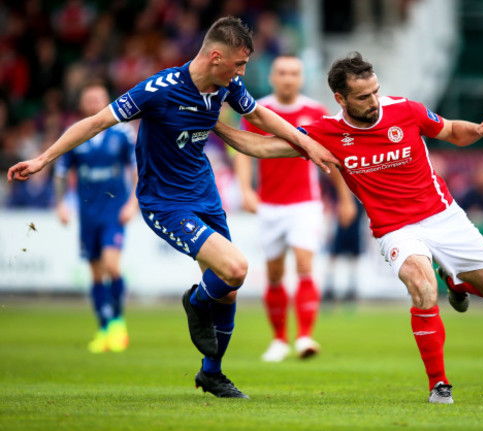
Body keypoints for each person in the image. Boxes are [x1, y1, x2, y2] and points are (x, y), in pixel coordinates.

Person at [7, 16, 339, 400]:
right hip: (165, 202)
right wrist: (43, 159)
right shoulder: (157, 90)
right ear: (216, 57)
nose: (243, 72)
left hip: (205, 195)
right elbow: (96, 122)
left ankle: (211, 373)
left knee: (227, 292)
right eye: (239, 64)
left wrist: (308, 143)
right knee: (235, 269)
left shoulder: (225, 87)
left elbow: (258, 120)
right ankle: (195, 301)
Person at [212, 52, 483, 404]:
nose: (374, 102)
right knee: (422, 284)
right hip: (395, 229)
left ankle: (455, 280)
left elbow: (448, 129)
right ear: (340, 99)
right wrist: (214, 124)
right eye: (363, 96)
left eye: (375, 92)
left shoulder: (405, 110)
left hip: (443, 215)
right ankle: (439, 385)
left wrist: (477, 130)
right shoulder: (326, 131)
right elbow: (262, 147)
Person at [234, 54, 356, 362]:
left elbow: (333, 157)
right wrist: (246, 190)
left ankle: (304, 336)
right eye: (282, 73)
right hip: (270, 204)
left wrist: (345, 199)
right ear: (273, 77)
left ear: (300, 78)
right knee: (274, 274)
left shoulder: (315, 111)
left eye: (293, 73)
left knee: (304, 265)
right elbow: (243, 152)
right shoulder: (256, 109)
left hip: (305, 202)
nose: (288, 78)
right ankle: (278, 339)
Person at [53, 81, 138, 353]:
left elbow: (137, 169)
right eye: (89, 100)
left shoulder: (122, 134)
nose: (94, 104)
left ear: (107, 100)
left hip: (114, 212)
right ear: (82, 104)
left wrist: (133, 203)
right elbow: (61, 172)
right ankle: (103, 328)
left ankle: (118, 324)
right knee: (96, 273)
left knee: (112, 265)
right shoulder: (75, 135)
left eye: (99, 98)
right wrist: (61, 204)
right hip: (88, 214)